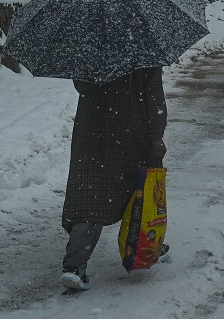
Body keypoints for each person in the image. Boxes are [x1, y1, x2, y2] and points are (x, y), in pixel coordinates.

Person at [60, 65, 167, 290]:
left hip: (91, 128)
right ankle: (145, 245)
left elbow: (81, 86)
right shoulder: (144, 53)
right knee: (140, 193)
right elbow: (153, 95)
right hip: (131, 129)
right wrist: (156, 136)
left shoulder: (88, 49)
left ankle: (75, 265)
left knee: (89, 195)